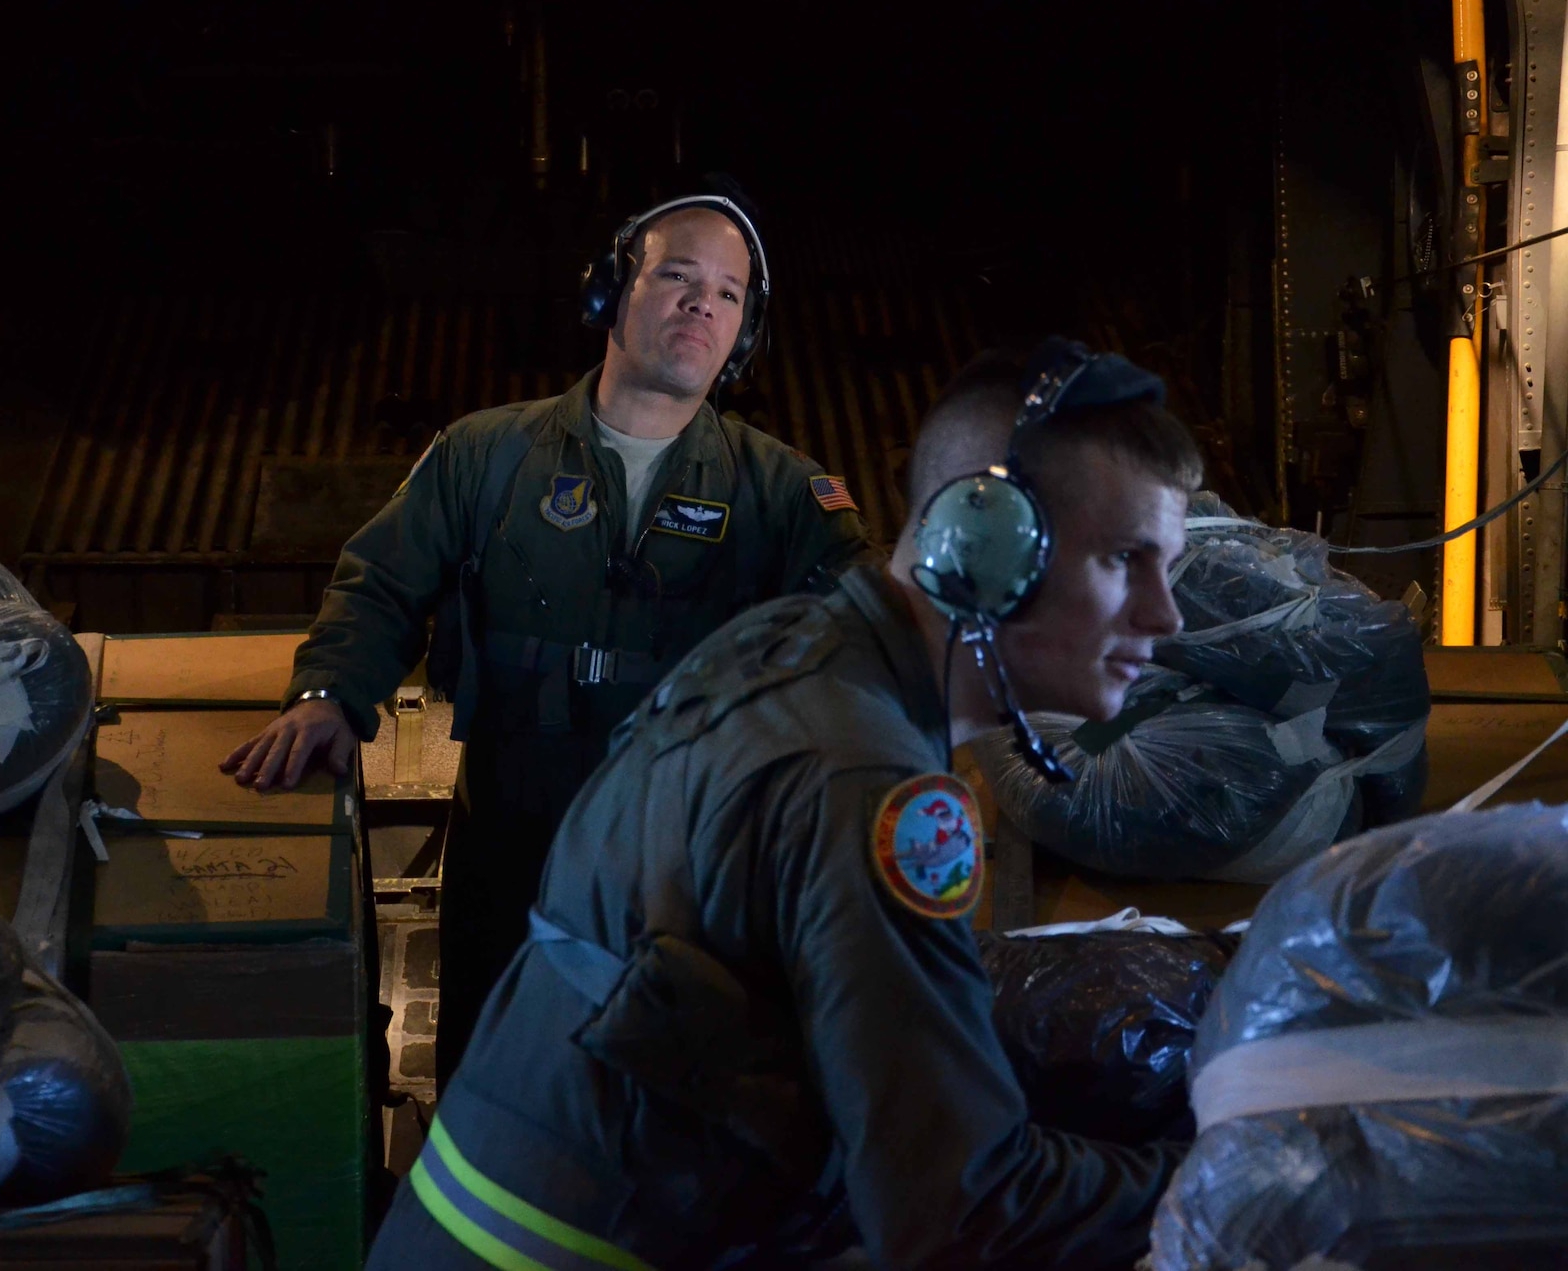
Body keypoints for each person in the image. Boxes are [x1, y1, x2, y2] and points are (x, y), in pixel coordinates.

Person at [367, 340, 1204, 1269]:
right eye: (1129, 559)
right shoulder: (868, 784)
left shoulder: (785, 646)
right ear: (984, 545)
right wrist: (1237, 1173)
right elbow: (960, 1208)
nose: (1166, 615)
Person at [222, 190, 873, 1083]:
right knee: (496, 1088)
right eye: (678, 276)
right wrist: (330, 691)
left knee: (673, 1112)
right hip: (510, 847)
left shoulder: (785, 494)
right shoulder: (484, 456)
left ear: (746, 329)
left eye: (729, 294)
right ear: (610, 294)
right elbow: (380, 583)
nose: (701, 306)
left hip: (691, 866)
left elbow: (874, 632)